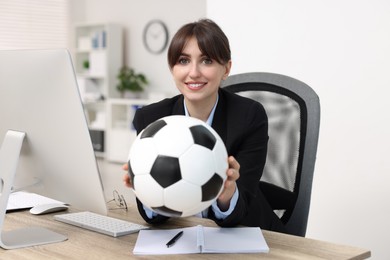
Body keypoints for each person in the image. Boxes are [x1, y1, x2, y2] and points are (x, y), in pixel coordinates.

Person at [122, 19, 285, 232]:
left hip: (249, 235)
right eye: (183, 60)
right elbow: (154, 218)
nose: (194, 72)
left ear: (226, 69)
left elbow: (242, 205)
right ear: (172, 69)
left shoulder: (249, 116)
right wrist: (144, 189)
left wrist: (228, 193)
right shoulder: (150, 119)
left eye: (206, 60)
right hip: (182, 238)